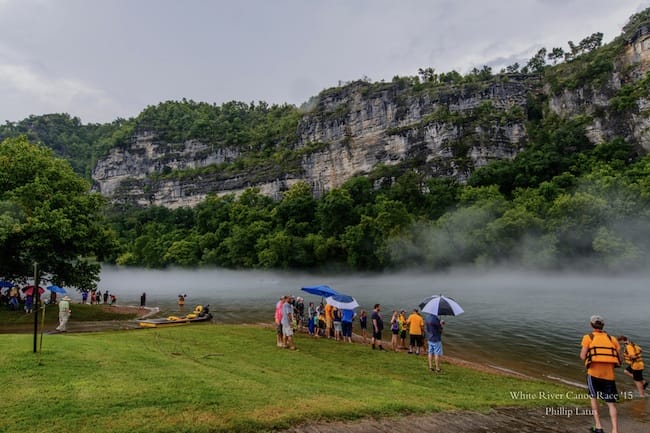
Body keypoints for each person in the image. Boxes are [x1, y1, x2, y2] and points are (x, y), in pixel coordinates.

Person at [580, 315, 621, 433]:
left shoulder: (588, 337)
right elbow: (620, 358)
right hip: (609, 376)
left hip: (593, 374)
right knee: (611, 404)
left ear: (591, 325)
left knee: (593, 398)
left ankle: (598, 427)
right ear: (603, 325)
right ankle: (615, 430)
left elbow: (582, 356)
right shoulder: (612, 339)